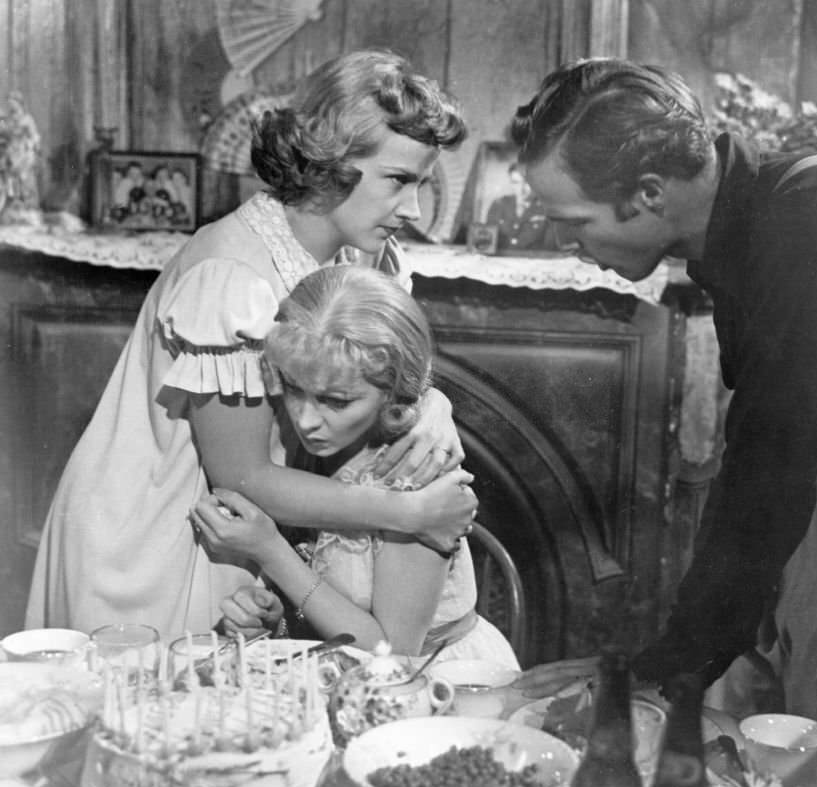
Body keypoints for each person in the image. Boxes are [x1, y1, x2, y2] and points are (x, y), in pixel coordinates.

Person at [508, 58, 817, 787]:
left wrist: (676, 657)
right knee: (784, 752)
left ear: (647, 195)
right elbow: (770, 461)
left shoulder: (810, 218)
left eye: (573, 224)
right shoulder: (754, 214)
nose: (571, 248)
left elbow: (767, 477)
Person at [25, 50, 478, 642]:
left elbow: (384, 368)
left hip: (247, 522)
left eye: (420, 182)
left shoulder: (360, 253)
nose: (414, 209)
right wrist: (409, 513)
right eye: (398, 180)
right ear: (331, 161)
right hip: (158, 531)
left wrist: (432, 405)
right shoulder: (233, 276)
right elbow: (242, 475)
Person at [190, 265, 519, 668]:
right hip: (342, 670)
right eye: (294, 389)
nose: (306, 420)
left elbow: (392, 656)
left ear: (393, 393)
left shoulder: (413, 477)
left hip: (434, 682)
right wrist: (272, 620)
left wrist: (271, 551)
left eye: (337, 401)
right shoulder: (318, 447)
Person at [484, 161, 556, 251]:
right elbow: (487, 244)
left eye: (526, 182)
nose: (521, 189)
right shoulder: (498, 205)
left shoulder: (548, 210)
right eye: (516, 182)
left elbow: (550, 249)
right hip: (500, 262)